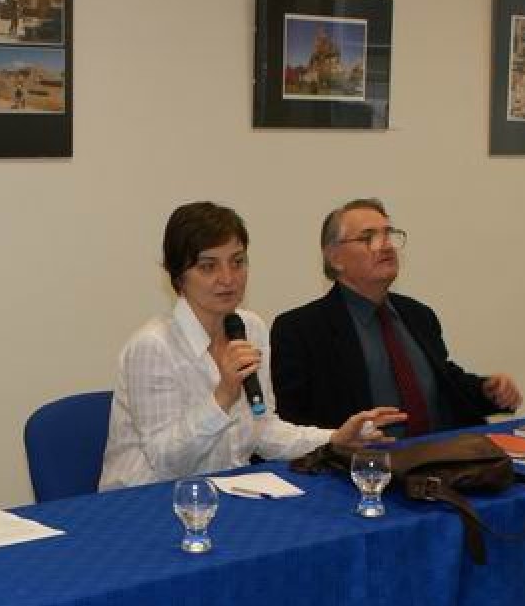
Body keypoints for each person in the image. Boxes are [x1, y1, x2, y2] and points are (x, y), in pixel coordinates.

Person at [100, 201, 401, 490]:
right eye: (208, 267)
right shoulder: (152, 347)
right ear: (178, 275)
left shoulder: (249, 327)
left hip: (226, 492)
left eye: (237, 262)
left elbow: (263, 430)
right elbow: (166, 462)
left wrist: (335, 438)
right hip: (144, 501)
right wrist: (223, 396)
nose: (228, 278)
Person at [271, 198, 522, 437]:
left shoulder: (418, 314)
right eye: (368, 238)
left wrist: (487, 390)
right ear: (335, 258)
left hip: (439, 456)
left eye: (388, 235)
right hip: (363, 462)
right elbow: (293, 425)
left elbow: (444, 386)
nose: (385, 246)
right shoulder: (300, 330)